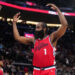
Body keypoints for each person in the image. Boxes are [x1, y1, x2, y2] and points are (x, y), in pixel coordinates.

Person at [12, 3, 68, 75]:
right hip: (36, 70)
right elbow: (18, 38)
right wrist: (14, 22)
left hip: (49, 69)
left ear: (44, 29)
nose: (36, 29)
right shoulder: (34, 40)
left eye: (38, 27)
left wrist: (57, 10)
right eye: (36, 27)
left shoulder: (51, 37)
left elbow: (64, 25)